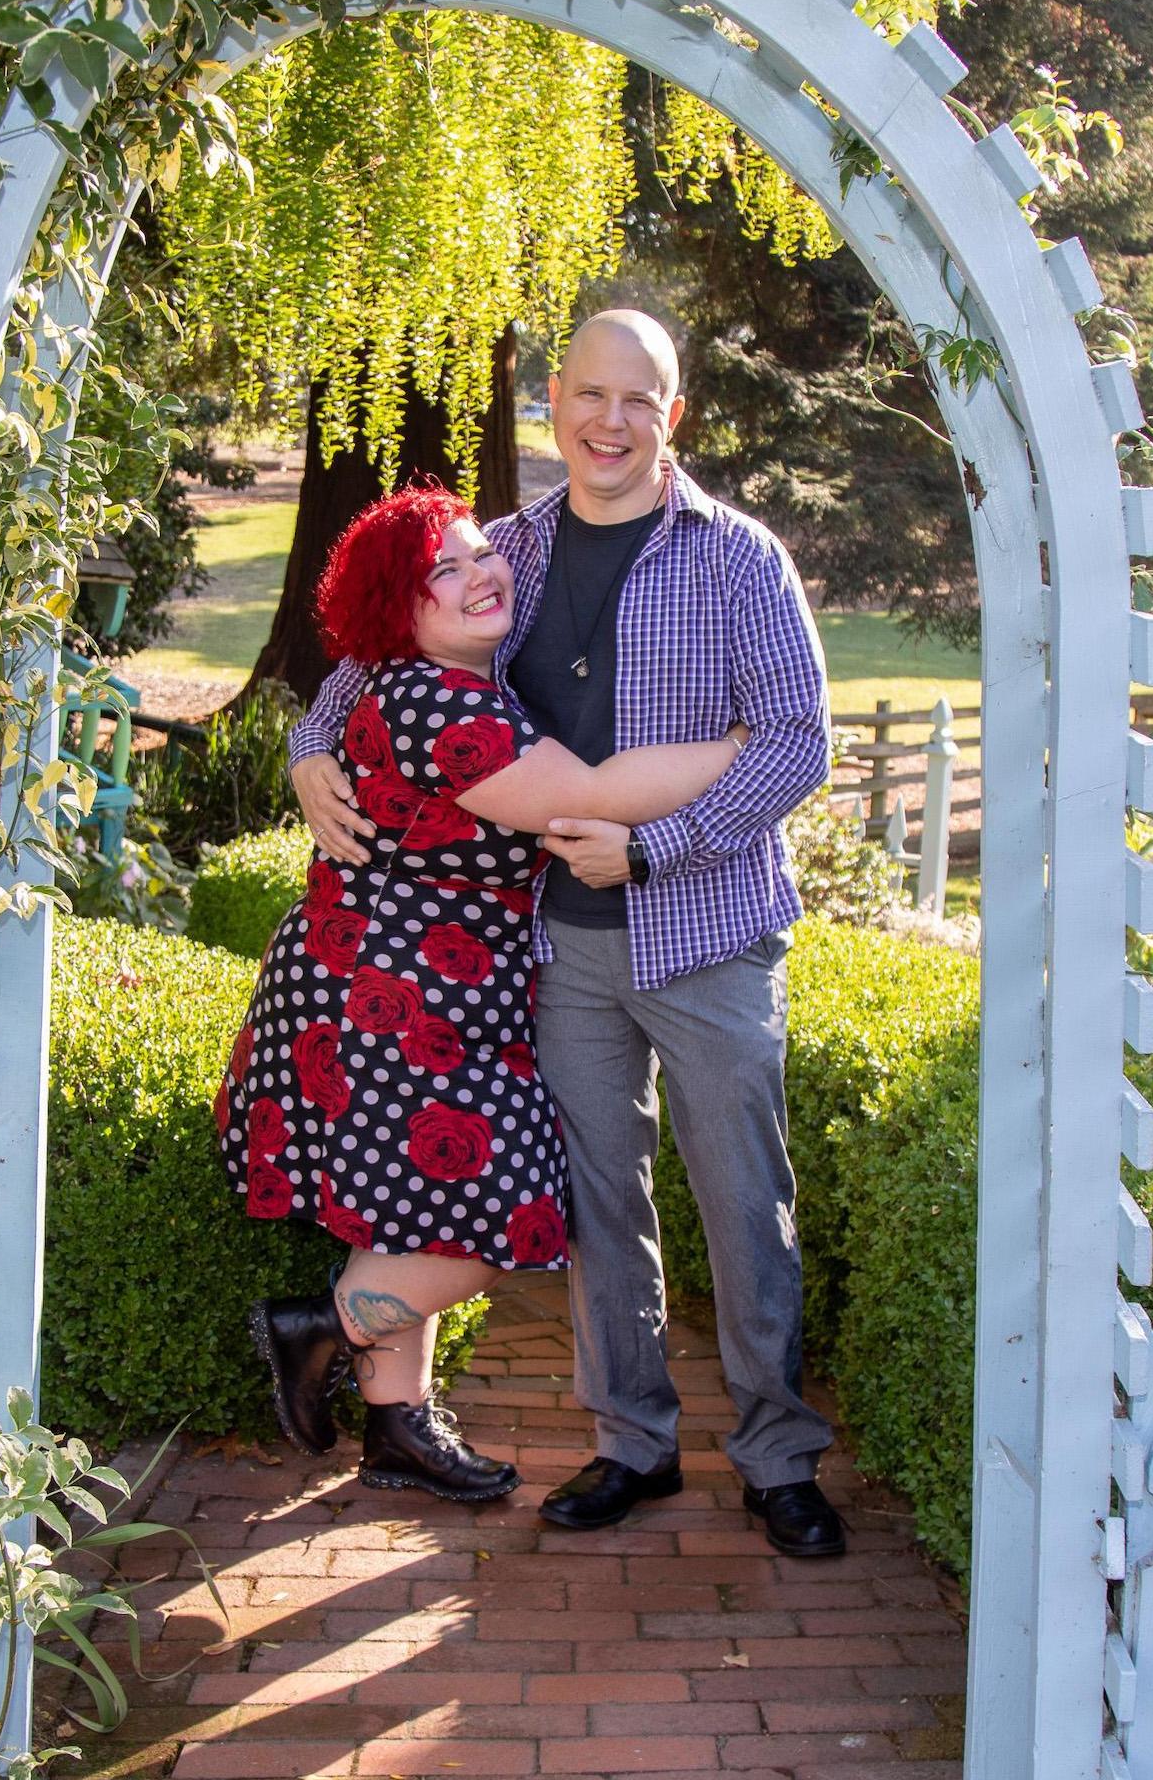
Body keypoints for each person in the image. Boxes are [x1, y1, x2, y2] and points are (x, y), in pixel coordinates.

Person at [288, 311, 845, 1557]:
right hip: (555, 945)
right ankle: (632, 1442)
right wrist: (308, 746)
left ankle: (777, 1458)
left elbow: (800, 742)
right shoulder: (514, 550)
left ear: (672, 414)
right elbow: (374, 655)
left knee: (743, 1201)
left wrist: (656, 846)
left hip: (708, 929)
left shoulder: (739, 558)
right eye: (590, 393)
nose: (610, 421)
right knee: (602, 1203)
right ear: (555, 399)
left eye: (638, 399)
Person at [218, 484, 751, 1505]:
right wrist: (737, 749)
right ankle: (320, 1327)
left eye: (478, 553)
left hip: (398, 984)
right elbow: (587, 797)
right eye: (443, 572)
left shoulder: (436, 684)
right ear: (398, 610)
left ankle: (397, 1429)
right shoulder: (440, 704)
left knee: (407, 1207)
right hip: (395, 996)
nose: (479, 575)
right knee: (512, 1206)